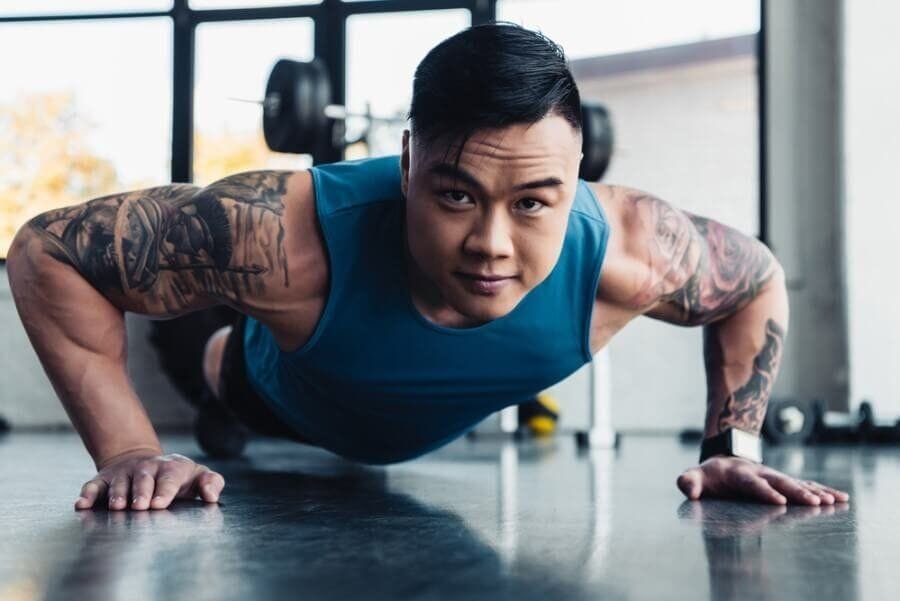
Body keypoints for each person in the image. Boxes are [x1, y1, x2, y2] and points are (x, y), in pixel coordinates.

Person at [6, 23, 849, 512]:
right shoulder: (288, 234)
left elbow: (756, 277)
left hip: (397, 417)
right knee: (220, 360)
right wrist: (125, 450)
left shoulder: (626, 249)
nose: (491, 242)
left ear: (577, 175)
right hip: (278, 390)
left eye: (531, 203)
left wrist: (732, 444)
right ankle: (224, 363)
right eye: (454, 194)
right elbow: (45, 248)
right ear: (407, 164)